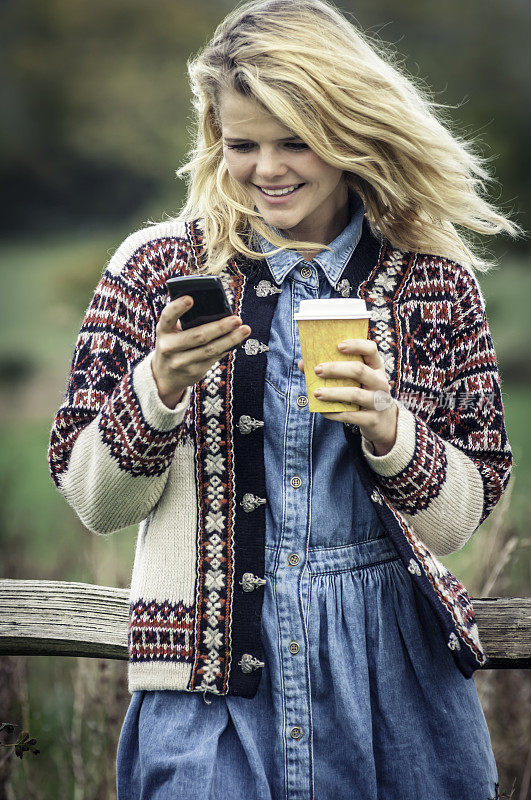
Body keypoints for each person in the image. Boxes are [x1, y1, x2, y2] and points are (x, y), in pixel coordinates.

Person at [47, 1, 523, 797]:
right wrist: (156, 387)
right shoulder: (153, 268)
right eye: (242, 144)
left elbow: (462, 520)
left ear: (348, 133)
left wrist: (388, 429)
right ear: (214, 140)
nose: (266, 168)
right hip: (205, 686)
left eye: (294, 140)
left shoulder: (436, 283)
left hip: (392, 678)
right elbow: (94, 500)